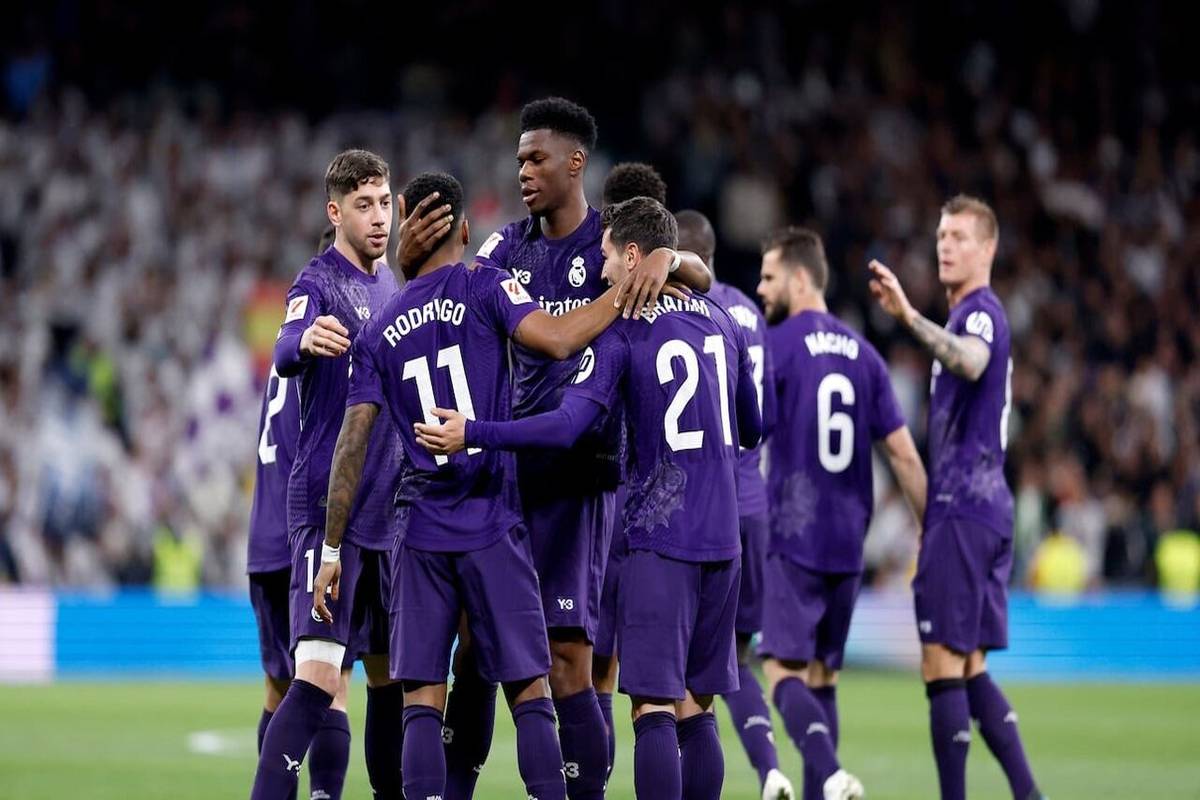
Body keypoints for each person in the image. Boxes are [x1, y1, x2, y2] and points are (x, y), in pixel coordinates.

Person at [409, 97, 711, 800]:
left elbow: (698, 279)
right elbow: (443, 300)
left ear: (575, 163)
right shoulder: (503, 249)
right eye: (519, 159)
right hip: (505, 473)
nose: (523, 171)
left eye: (536, 158)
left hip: (582, 476)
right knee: (475, 647)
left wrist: (669, 256)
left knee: (568, 655)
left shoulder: (614, 243)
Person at [313, 170, 645, 800]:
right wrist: (623, 291)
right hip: (493, 520)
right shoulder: (488, 286)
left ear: (405, 218)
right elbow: (557, 340)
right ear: (465, 231)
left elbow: (350, 445)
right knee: (529, 689)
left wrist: (331, 548)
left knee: (421, 699)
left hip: (420, 531)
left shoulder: (379, 328)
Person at [868, 195, 1044, 800]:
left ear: (988, 248)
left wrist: (909, 318)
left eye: (960, 237)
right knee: (969, 668)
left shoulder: (979, 314)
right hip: (984, 507)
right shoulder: (971, 314)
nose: (945, 245)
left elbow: (971, 362)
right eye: (942, 235)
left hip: (966, 509)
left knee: (941, 663)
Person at [251, 149, 405, 800]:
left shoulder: (392, 286)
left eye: (385, 202)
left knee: (390, 679)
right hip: (326, 510)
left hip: (386, 516)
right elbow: (286, 345)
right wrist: (305, 341)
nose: (379, 217)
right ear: (335, 213)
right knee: (316, 676)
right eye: (364, 205)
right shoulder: (317, 281)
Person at [756, 226, 927, 800]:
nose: (761, 289)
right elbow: (903, 454)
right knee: (824, 677)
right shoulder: (868, 357)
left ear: (802, 278)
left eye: (770, 277)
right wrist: (929, 532)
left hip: (793, 535)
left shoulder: (777, 347)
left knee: (781, 672)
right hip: (849, 540)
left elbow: (748, 434)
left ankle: (830, 774)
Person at [676, 209, 795, 800]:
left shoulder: (682, 311)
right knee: (733, 659)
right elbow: (763, 417)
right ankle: (769, 769)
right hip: (753, 507)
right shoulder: (746, 311)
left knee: (682, 675)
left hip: (699, 511)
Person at [246, 226, 353, 800]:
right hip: (306, 531)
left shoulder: (284, 353)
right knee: (330, 683)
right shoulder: (328, 347)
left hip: (263, 539)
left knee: (278, 687)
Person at [592, 159, 671, 780]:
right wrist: (675, 260)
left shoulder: (610, 297)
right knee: (671, 693)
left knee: (594, 668)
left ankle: (588, 785)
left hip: (604, 489)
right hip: (670, 505)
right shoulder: (702, 302)